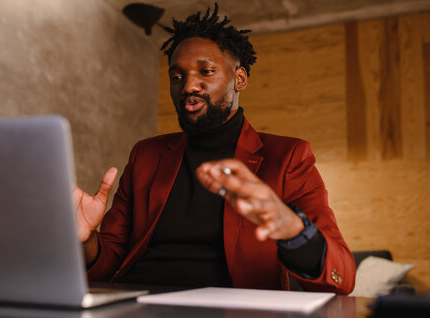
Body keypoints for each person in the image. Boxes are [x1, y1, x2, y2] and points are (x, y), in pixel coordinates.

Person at [74, 3, 355, 294]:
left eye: (205, 71)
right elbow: (107, 266)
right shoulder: (146, 155)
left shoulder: (287, 157)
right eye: (177, 76)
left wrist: (294, 229)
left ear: (240, 78)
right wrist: (85, 239)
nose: (188, 86)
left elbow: (343, 278)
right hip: (135, 308)